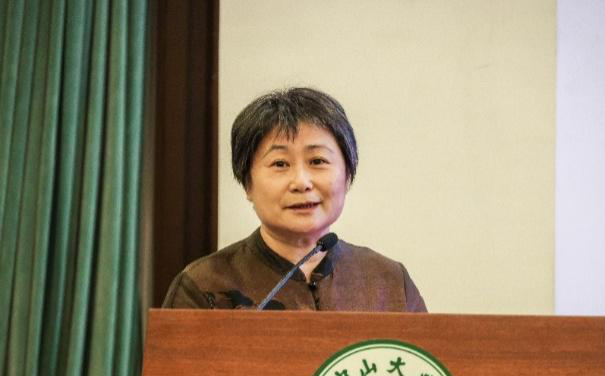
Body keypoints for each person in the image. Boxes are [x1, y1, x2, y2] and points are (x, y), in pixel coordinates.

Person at [162, 87, 427, 311]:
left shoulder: (389, 281)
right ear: (247, 184)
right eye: (280, 164)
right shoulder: (203, 286)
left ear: (347, 176)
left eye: (318, 161)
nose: (301, 182)